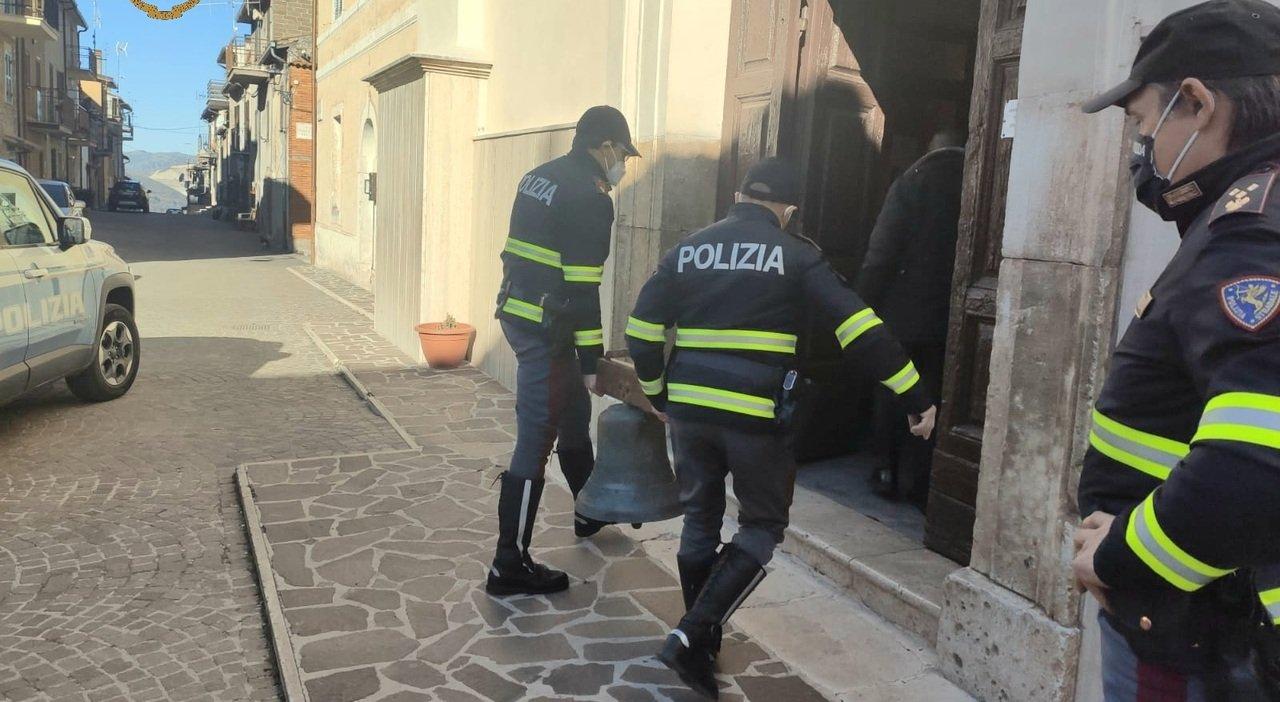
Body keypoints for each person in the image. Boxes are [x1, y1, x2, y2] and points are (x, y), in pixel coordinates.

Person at [626, 158, 937, 699]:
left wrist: (659, 395)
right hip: (756, 417)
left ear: (742, 194)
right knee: (762, 527)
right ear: (788, 209)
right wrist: (912, 392)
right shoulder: (797, 254)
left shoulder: (689, 249)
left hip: (692, 410)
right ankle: (691, 635)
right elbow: (859, 328)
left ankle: (699, 641)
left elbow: (641, 329)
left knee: (701, 516)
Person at [1072, 1, 1280, 698]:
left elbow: (1259, 465)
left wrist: (1121, 558)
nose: (1144, 153)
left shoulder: (1253, 233)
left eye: (1142, 125)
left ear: (1194, 102)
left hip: (1199, 634)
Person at [486, 106, 640, 597]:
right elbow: (583, 287)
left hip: (518, 312)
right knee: (536, 439)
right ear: (607, 147)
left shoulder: (540, 176)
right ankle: (508, 565)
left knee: (572, 411)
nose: (624, 166)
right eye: (623, 155)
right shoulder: (591, 198)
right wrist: (593, 363)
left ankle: (589, 510)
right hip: (548, 332)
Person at [857, 130, 966, 505]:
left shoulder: (912, 181)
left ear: (928, 150)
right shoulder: (984, 177)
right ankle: (921, 480)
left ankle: (886, 471)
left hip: (903, 314)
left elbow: (881, 252)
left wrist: (860, 304)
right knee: (934, 396)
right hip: (949, 316)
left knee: (893, 392)